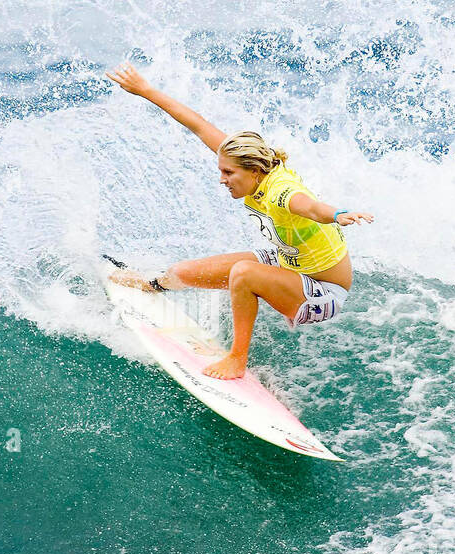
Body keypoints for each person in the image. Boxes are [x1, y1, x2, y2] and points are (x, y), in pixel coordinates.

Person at [104, 62, 374, 380]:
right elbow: (199, 126)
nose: (222, 179)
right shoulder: (253, 166)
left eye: (228, 173)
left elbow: (311, 208)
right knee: (182, 273)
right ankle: (152, 286)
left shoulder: (281, 191)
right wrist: (146, 91)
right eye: (222, 170)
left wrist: (339, 215)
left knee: (243, 273)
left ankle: (237, 360)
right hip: (291, 263)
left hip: (323, 292)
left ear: (254, 172)